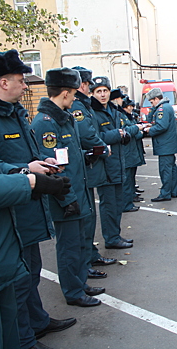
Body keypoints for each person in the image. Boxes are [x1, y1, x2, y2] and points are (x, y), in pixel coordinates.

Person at [0, 49, 75, 349]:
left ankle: (36, 321)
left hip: (22, 204)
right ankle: (25, 338)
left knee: (28, 273)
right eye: (21, 80)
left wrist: (34, 166)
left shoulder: (13, 112)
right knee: (17, 283)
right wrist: (28, 177)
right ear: (4, 82)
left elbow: (0, 162)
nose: (26, 86)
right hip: (9, 211)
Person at [31, 67, 105, 307]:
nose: (75, 98)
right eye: (73, 93)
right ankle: (73, 292)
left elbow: (68, 157)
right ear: (64, 93)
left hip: (77, 193)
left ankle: (79, 282)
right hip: (65, 197)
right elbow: (52, 168)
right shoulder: (46, 123)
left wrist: (85, 154)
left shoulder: (64, 117)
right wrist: (67, 199)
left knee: (79, 244)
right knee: (68, 248)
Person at [69, 66, 116, 280]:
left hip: (89, 164)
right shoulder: (78, 105)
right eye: (89, 85)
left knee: (90, 214)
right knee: (85, 217)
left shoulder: (83, 104)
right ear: (83, 84)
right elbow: (87, 134)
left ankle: (90, 254)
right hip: (84, 165)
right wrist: (103, 147)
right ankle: (85, 261)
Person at [91, 76, 134, 249]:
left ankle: (115, 235)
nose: (102, 95)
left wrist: (124, 135)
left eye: (105, 91)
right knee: (108, 205)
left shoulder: (113, 109)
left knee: (117, 204)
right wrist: (118, 134)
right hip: (105, 166)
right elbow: (94, 138)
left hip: (117, 163)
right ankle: (111, 238)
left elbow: (122, 130)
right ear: (93, 93)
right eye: (98, 91)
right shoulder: (92, 112)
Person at [109, 88, 146, 212]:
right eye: (120, 98)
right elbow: (125, 131)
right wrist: (137, 128)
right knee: (126, 181)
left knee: (130, 179)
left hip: (130, 151)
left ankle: (129, 201)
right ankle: (126, 204)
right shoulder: (118, 114)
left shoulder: (120, 114)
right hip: (126, 150)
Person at [146, 87, 177, 202]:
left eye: (151, 102)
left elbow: (161, 126)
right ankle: (172, 191)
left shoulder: (162, 109)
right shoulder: (165, 107)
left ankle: (165, 193)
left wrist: (149, 130)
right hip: (168, 144)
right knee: (171, 169)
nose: (151, 104)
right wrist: (152, 109)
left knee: (165, 170)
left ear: (156, 99)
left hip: (165, 145)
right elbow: (153, 120)